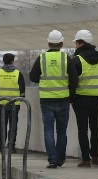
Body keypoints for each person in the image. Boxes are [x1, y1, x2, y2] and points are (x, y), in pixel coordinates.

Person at [29, 29, 78, 169]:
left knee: (48, 131)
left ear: (49, 43)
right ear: (61, 44)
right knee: (62, 131)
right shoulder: (66, 58)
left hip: (46, 100)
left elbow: (32, 77)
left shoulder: (42, 58)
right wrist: (71, 94)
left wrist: (44, 80)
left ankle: (52, 159)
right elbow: (74, 79)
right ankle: (61, 158)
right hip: (63, 99)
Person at [71, 29, 98, 168]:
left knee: (82, 130)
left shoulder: (77, 59)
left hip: (80, 99)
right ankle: (95, 156)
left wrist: (71, 97)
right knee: (95, 128)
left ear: (80, 43)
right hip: (96, 100)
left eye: (76, 42)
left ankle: (85, 160)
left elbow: (73, 81)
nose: (75, 45)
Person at [0, 52, 25, 153]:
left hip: (1, 104)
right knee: (13, 126)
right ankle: (11, 147)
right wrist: (20, 99)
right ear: (12, 61)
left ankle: (1, 146)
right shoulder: (18, 73)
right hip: (15, 104)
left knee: (2, 125)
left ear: (3, 61)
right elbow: (22, 91)